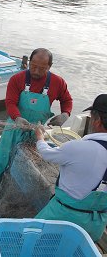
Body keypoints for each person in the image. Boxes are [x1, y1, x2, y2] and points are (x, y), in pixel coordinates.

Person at [0, 48, 73, 194]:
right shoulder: (17, 79)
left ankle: (16, 189)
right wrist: (17, 118)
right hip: (14, 127)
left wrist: (65, 114)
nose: (36, 71)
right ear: (29, 62)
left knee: (28, 163)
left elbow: (67, 100)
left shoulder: (58, 82)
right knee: (0, 160)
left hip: (36, 131)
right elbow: (10, 103)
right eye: (33, 66)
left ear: (49, 66)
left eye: (42, 68)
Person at [34, 94, 107, 241]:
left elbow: (46, 154)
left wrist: (40, 138)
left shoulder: (78, 147)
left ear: (97, 121)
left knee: (32, 239)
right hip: (95, 225)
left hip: (62, 217)